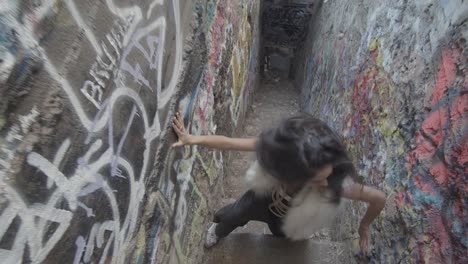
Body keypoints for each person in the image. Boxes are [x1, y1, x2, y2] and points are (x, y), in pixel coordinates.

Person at [171, 112, 386, 255]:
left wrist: (364, 226)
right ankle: (217, 231)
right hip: (262, 199)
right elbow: (229, 143)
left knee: (282, 242)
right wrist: (191, 139)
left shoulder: (333, 182)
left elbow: (378, 198)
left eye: (327, 173)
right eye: (315, 177)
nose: (324, 181)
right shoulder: (279, 154)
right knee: (234, 215)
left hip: (290, 219)